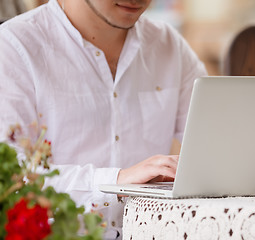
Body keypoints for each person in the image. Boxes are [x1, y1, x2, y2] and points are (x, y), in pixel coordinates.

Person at [0, 0, 207, 238]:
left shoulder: (169, 46)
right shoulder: (13, 47)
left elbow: (218, 145)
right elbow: (11, 180)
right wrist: (115, 182)